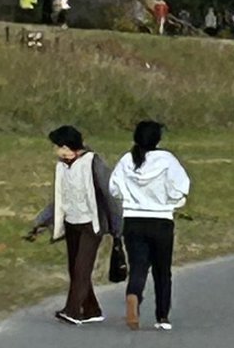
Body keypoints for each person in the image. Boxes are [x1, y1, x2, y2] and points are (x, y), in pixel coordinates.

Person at [25, 125, 121, 326]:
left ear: (69, 147)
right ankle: (91, 310)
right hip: (71, 224)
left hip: (91, 224)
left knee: (82, 268)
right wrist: (41, 222)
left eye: (58, 147)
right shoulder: (61, 167)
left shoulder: (93, 163)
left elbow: (109, 195)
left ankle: (72, 310)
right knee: (74, 268)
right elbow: (59, 199)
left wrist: (117, 227)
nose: (56, 151)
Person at [109, 120, 190, 332]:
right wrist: (172, 203)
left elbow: (114, 188)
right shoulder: (167, 160)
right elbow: (180, 189)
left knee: (139, 266)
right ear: (158, 139)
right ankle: (162, 316)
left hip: (133, 220)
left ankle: (133, 294)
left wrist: (130, 199)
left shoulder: (127, 160)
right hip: (161, 221)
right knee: (163, 270)